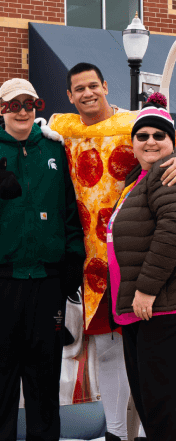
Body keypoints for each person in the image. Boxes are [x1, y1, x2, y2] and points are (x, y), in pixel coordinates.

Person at [0, 78, 84, 441]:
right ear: (0, 110)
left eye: (29, 104)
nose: (22, 111)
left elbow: (71, 213)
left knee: (43, 385)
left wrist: (73, 261)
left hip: (45, 284)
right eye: (13, 105)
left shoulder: (56, 153)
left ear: (38, 107)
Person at [47, 63, 176, 440]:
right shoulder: (63, 131)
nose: (87, 93)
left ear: (106, 87)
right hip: (96, 260)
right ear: (69, 96)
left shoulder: (139, 135)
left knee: (156, 381)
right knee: (111, 351)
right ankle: (116, 433)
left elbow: (170, 228)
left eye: (93, 86)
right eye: (79, 89)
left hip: (149, 280)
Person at [105, 94, 176, 439]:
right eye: (142, 135)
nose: (150, 141)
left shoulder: (167, 175)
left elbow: (171, 231)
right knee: (151, 406)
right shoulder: (138, 180)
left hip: (159, 309)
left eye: (159, 135)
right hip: (138, 312)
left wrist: (146, 290)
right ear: (132, 144)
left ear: (172, 142)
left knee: (162, 408)